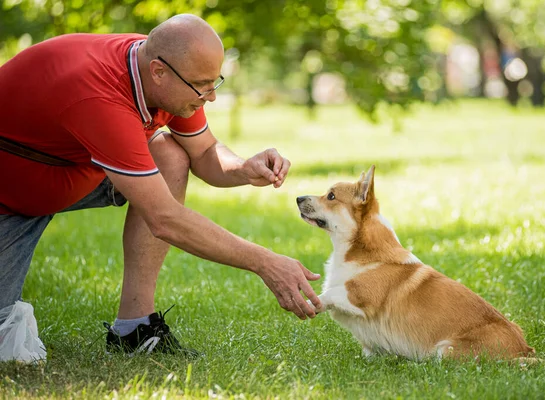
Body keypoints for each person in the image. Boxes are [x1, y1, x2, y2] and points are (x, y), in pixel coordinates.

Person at [0, 13, 321, 357]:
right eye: (203, 84)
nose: (211, 96)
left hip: (73, 170)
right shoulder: (100, 93)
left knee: (169, 153)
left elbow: (205, 152)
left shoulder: (172, 68)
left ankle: (135, 329)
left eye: (216, 81)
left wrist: (244, 167)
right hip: (11, 196)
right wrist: (266, 262)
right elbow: (164, 218)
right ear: (158, 72)